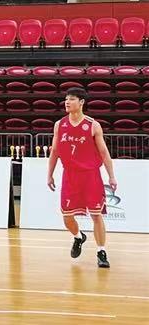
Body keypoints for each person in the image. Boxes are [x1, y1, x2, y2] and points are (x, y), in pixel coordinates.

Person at [47, 87, 117, 268]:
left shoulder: (93, 125)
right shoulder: (59, 125)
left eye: (71, 99)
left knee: (96, 215)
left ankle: (101, 251)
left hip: (91, 175)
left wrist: (111, 176)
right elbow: (55, 151)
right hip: (70, 175)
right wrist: (50, 174)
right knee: (67, 217)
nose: (67, 102)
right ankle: (78, 237)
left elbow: (104, 152)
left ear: (81, 102)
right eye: (66, 99)